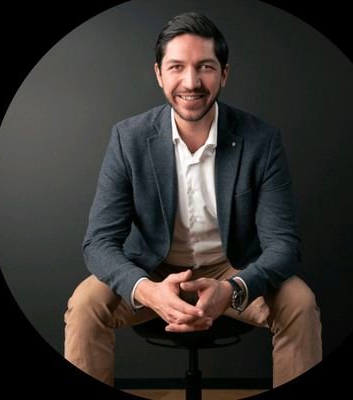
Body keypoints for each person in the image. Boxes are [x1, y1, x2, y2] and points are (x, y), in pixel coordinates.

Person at [64, 12, 322, 388]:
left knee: (300, 303)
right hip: (153, 270)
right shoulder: (128, 138)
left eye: (205, 67)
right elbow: (99, 242)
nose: (191, 82)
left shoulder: (261, 140)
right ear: (159, 74)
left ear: (224, 74)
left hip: (233, 268)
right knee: (84, 304)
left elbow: (284, 244)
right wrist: (147, 290)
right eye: (177, 67)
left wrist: (233, 289)